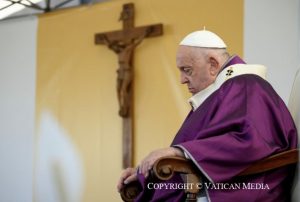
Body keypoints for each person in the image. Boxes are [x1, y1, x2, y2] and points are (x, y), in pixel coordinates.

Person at [117, 29, 298, 201]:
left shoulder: (247, 86)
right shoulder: (223, 93)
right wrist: (144, 174)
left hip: (245, 188)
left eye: (187, 70)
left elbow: (251, 143)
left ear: (213, 64)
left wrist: (178, 152)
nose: (181, 80)